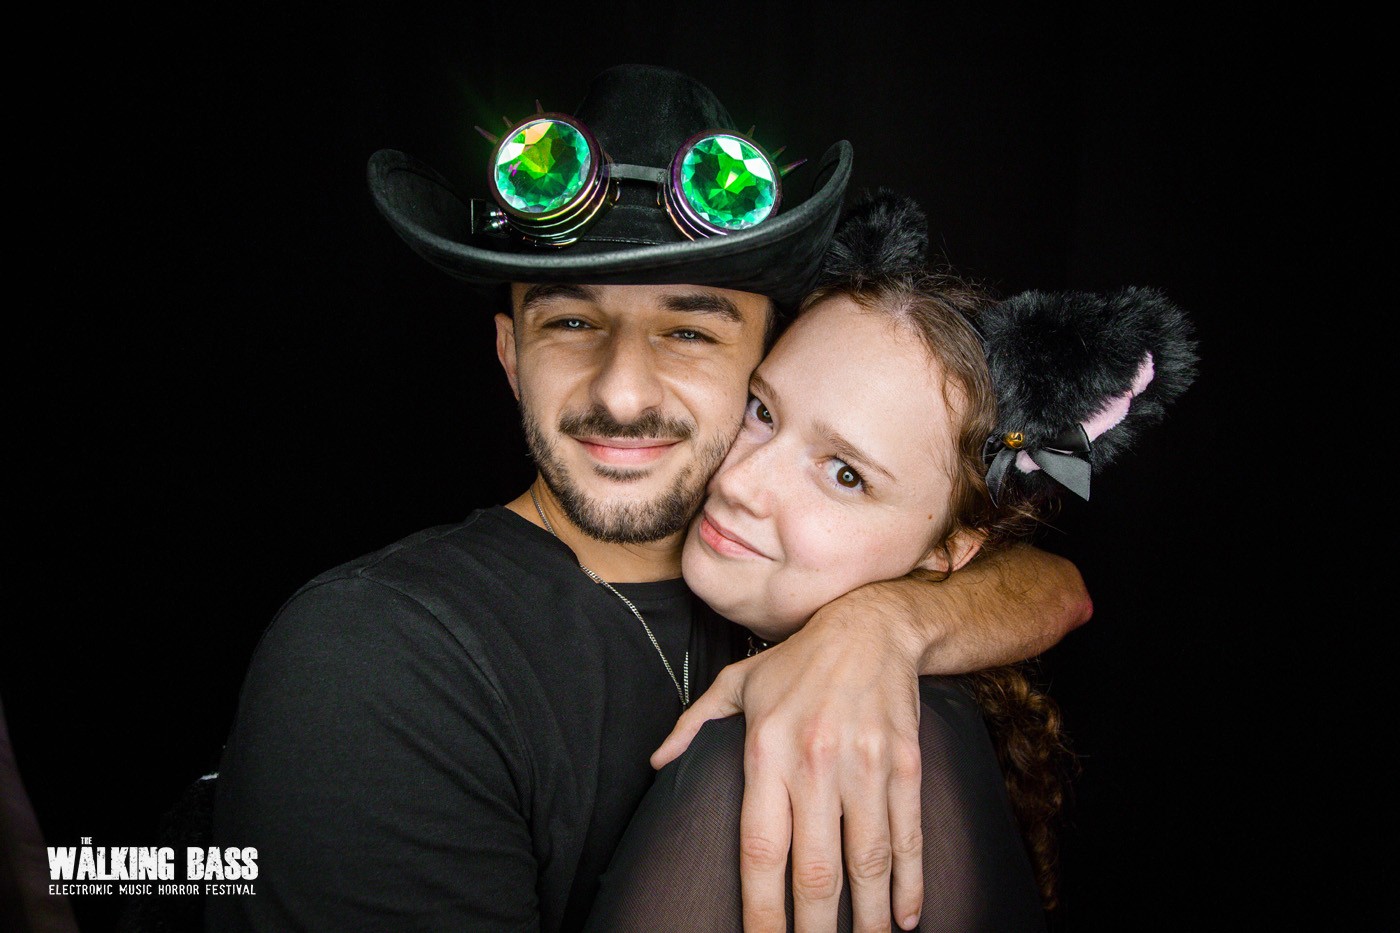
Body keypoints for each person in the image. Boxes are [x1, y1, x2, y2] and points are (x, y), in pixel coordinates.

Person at [208, 66, 1090, 933]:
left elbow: (1049, 580)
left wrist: (889, 628)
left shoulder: (807, 576)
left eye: (688, 330)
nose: (623, 394)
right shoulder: (375, 658)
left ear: (766, 355)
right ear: (512, 355)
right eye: (572, 322)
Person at [586, 192, 1197, 931]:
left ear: (948, 551)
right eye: (763, 412)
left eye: (846, 474)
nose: (739, 481)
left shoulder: (780, 769)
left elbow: (1066, 589)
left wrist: (887, 624)